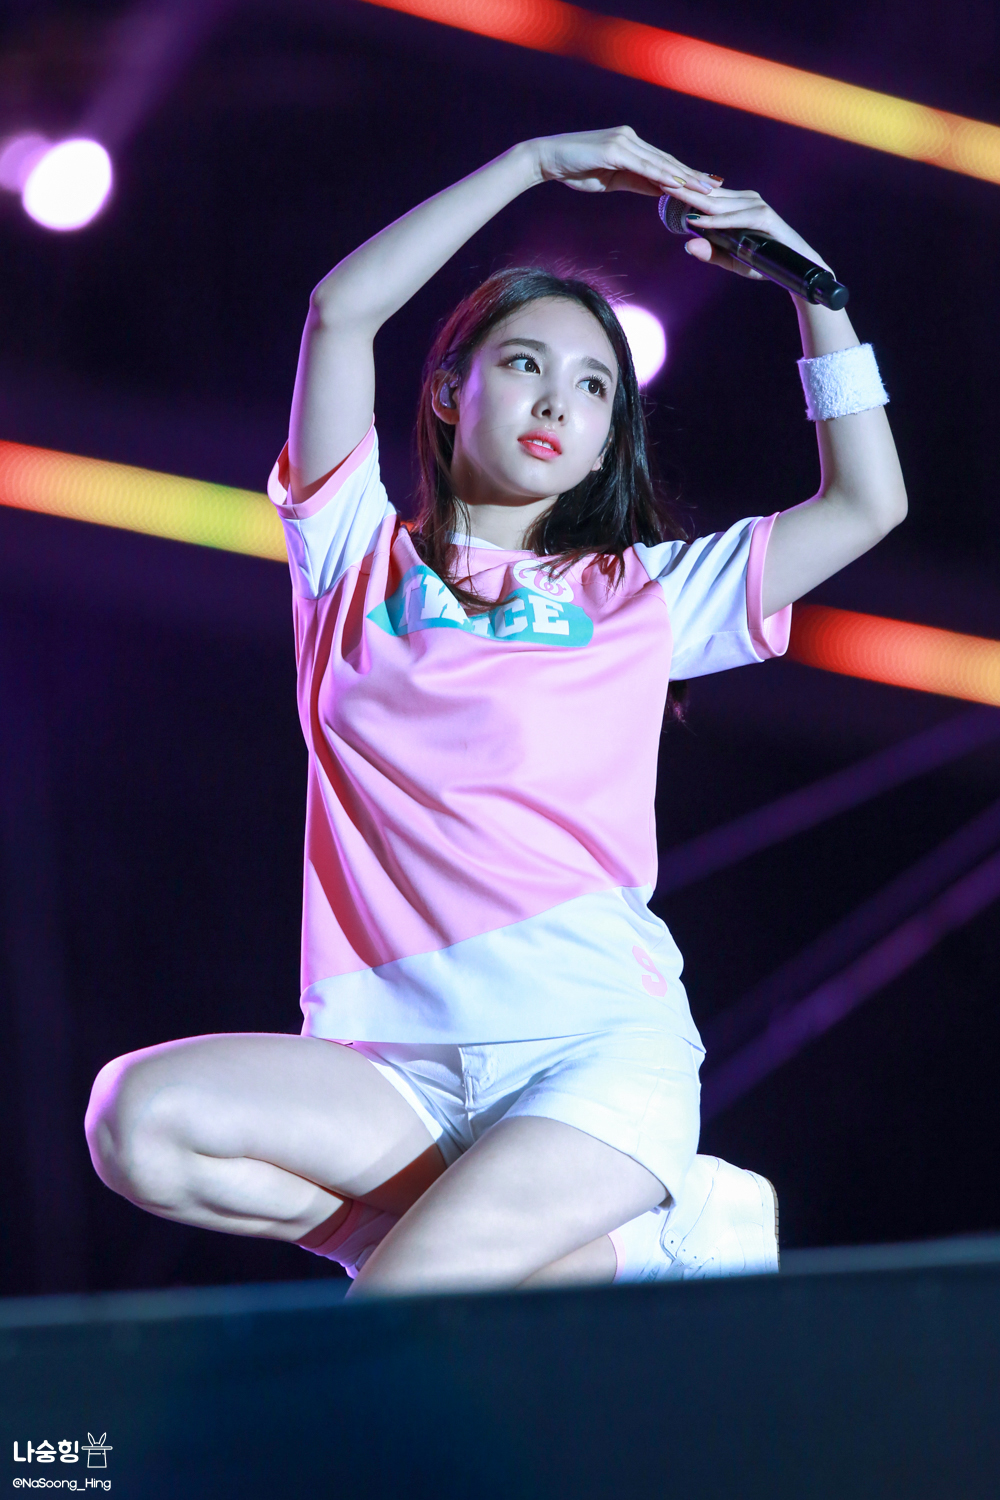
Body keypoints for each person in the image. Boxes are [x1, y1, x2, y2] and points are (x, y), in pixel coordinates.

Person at [85, 127, 906, 1296]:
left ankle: (483, 1251)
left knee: (383, 1332)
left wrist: (813, 291)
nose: (556, 400)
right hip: (389, 1063)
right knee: (137, 1120)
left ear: (605, 440)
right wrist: (529, 165)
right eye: (524, 363)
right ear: (446, 389)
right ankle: (636, 1246)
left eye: (593, 387)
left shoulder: (641, 595)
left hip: (589, 1052)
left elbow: (866, 504)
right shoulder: (353, 559)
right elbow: (339, 313)